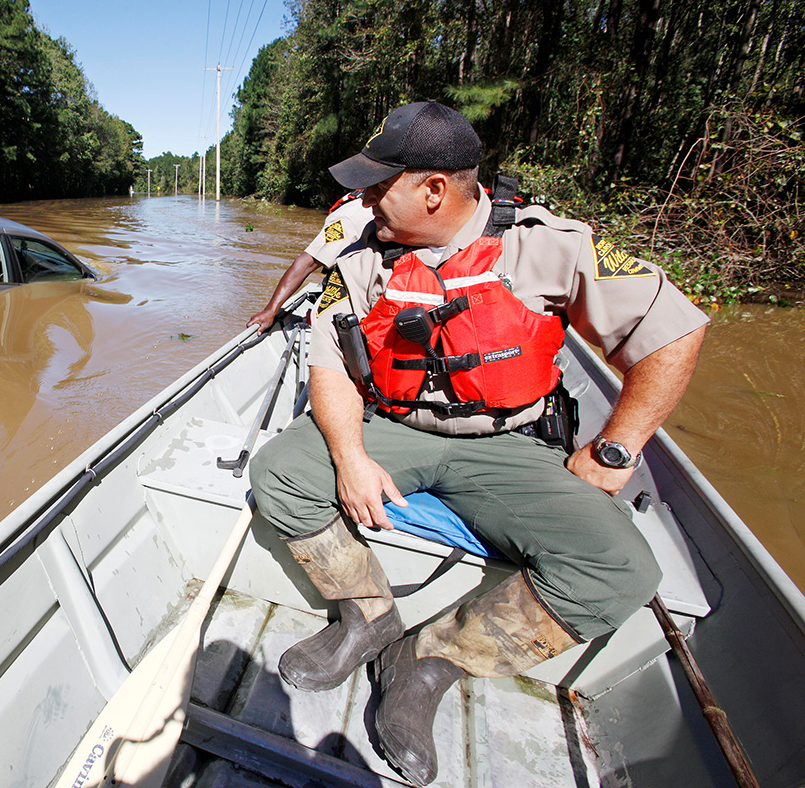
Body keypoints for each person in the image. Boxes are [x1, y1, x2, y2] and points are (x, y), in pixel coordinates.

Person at [248, 101, 708, 785]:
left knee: (621, 570)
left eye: (379, 187)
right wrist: (351, 458)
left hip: (510, 441)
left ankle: (426, 659)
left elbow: (673, 330)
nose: (363, 200)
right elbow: (328, 367)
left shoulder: (546, 243)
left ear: (433, 189)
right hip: (393, 425)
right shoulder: (359, 257)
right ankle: (368, 618)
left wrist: (616, 447)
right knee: (281, 472)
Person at [246, 193, 368, 332]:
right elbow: (307, 262)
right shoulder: (353, 215)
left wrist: (270, 310)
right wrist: (271, 310)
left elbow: (307, 262)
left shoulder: (359, 213)